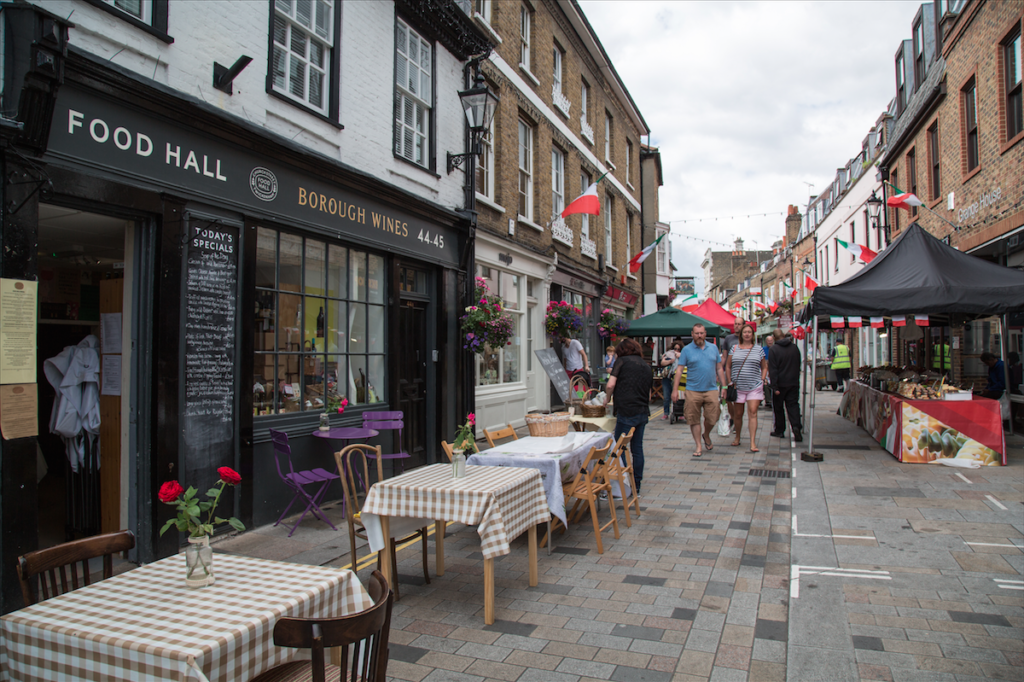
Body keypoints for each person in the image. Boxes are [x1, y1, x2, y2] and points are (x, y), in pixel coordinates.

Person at [604, 338, 653, 495]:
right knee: (637, 448)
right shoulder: (646, 366)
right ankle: (636, 485)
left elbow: (611, 384)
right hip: (642, 411)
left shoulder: (622, 362)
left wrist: (606, 398)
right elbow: (650, 396)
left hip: (626, 411)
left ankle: (624, 485)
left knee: (620, 448)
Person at [671, 323, 727, 458]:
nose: (699, 335)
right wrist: (675, 390)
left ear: (705, 333)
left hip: (711, 389)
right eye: (697, 333)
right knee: (693, 419)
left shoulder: (713, 348)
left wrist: (724, 386)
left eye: (701, 333)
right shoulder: (687, 350)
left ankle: (706, 434)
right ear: (692, 334)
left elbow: (719, 368)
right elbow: (679, 370)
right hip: (692, 390)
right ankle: (698, 445)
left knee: (713, 417)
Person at [725, 323, 768, 452]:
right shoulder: (734, 348)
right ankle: (737, 437)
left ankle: (753, 443)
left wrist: (763, 379)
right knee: (738, 414)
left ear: (753, 335)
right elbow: (728, 366)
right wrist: (729, 381)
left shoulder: (758, 349)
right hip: (738, 387)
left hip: (754, 386)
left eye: (749, 332)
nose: (747, 334)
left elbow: (764, 366)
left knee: (753, 412)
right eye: (745, 332)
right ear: (741, 334)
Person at [768, 329, 803, 441]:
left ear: (774, 337)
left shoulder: (774, 349)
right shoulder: (794, 348)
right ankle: (796, 426)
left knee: (778, 408)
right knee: (793, 405)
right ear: (783, 335)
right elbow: (798, 365)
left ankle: (780, 430)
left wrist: (774, 386)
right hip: (793, 383)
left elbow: (773, 370)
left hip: (780, 384)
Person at [722, 317, 746, 434]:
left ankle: (738, 420)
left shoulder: (746, 338)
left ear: (743, 325)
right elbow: (724, 356)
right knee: (728, 397)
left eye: (739, 324)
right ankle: (733, 417)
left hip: (742, 373)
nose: (737, 326)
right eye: (735, 324)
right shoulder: (728, 338)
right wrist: (720, 371)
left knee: (740, 399)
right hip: (729, 371)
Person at [659, 341, 682, 420]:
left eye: (678, 349)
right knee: (666, 396)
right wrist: (670, 361)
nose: (676, 350)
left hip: (678, 378)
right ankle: (666, 413)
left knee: (678, 396)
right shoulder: (668, 354)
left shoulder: (682, 356)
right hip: (667, 377)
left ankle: (679, 412)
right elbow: (662, 362)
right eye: (675, 349)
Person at [762, 334, 775, 409]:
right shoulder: (763, 349)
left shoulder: (776, 348)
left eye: (771, 340)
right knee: (765, 385)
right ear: (766, 341)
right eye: (768, 341)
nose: (770, 342)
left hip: (773, 370)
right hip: (765, 370)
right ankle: (769, 401)